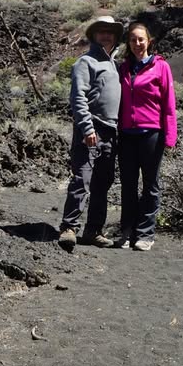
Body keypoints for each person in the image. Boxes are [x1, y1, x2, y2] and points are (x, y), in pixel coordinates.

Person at [57, 15, 123, 252]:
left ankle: (93, 230)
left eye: (110, 32)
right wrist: (87, 127)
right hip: (92, 128)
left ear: (115, 36)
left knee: (102, 183)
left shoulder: (114, 65)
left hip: (111, 131)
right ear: (94, 35)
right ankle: (69, 227)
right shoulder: (85, 62)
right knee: (82, 179)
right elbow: (78, 98)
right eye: (102, 31)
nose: (106, 35)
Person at [116, 22, 177, 251]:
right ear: (128, 43)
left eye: (141, 39)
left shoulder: (161, 67)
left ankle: (146, 234)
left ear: (149, 41)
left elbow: (169, 104)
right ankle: (127, 232)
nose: (137, 44)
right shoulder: (123, 69)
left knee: (150, 185)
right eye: (133, 40)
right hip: (127, 135)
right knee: (128, 185)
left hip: (151, 134)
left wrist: (170, 136)